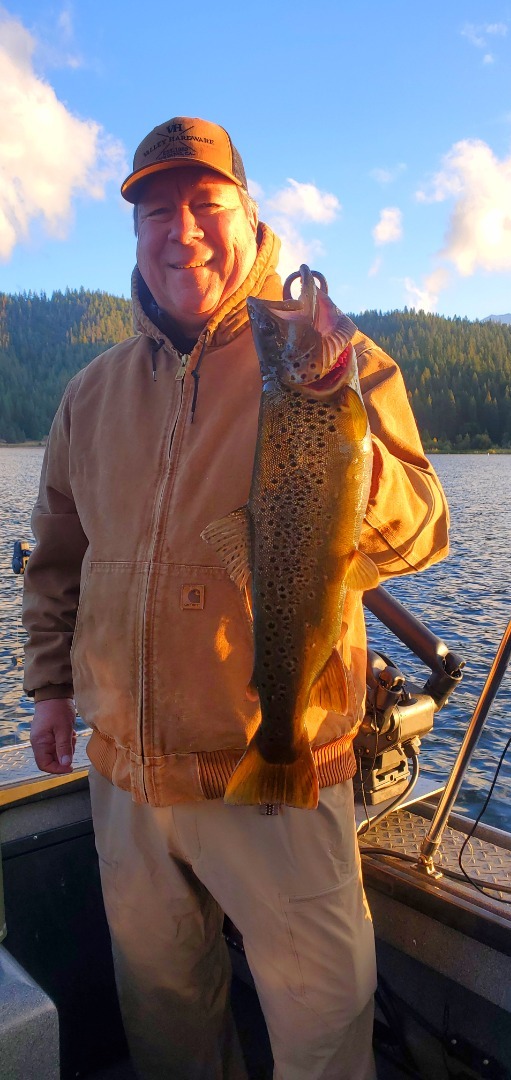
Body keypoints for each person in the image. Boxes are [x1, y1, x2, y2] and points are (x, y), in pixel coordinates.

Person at [23, 115, 450, 1080]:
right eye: (158, 211)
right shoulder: (91, 394)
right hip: (128, 776)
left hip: (283, 768)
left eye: (205, 205)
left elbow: (423, 529)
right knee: (166, 1017)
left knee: (322, 1023)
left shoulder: (334, 357)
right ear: (134, 234)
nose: (183, 231)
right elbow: (56, 557)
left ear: (248, 218)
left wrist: (343, 460)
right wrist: (51, 687)